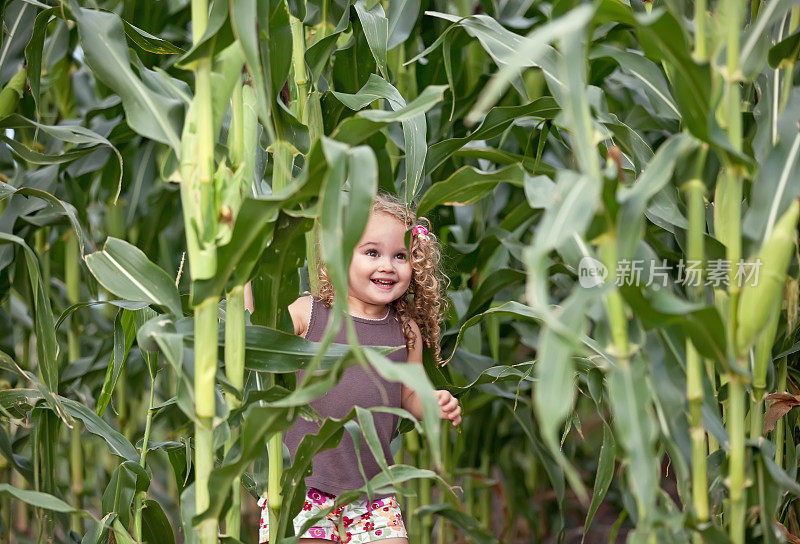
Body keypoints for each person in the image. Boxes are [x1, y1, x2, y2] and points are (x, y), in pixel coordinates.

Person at [256, 193, 462, 544]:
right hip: (303, 487)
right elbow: (258, 329)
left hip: (374, 490)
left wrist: (432, 401)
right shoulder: (309, 313)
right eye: (372, 253)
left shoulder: (405, 328)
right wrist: (245, 276)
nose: (388, 266)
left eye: (400, 256)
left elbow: (408, 391)